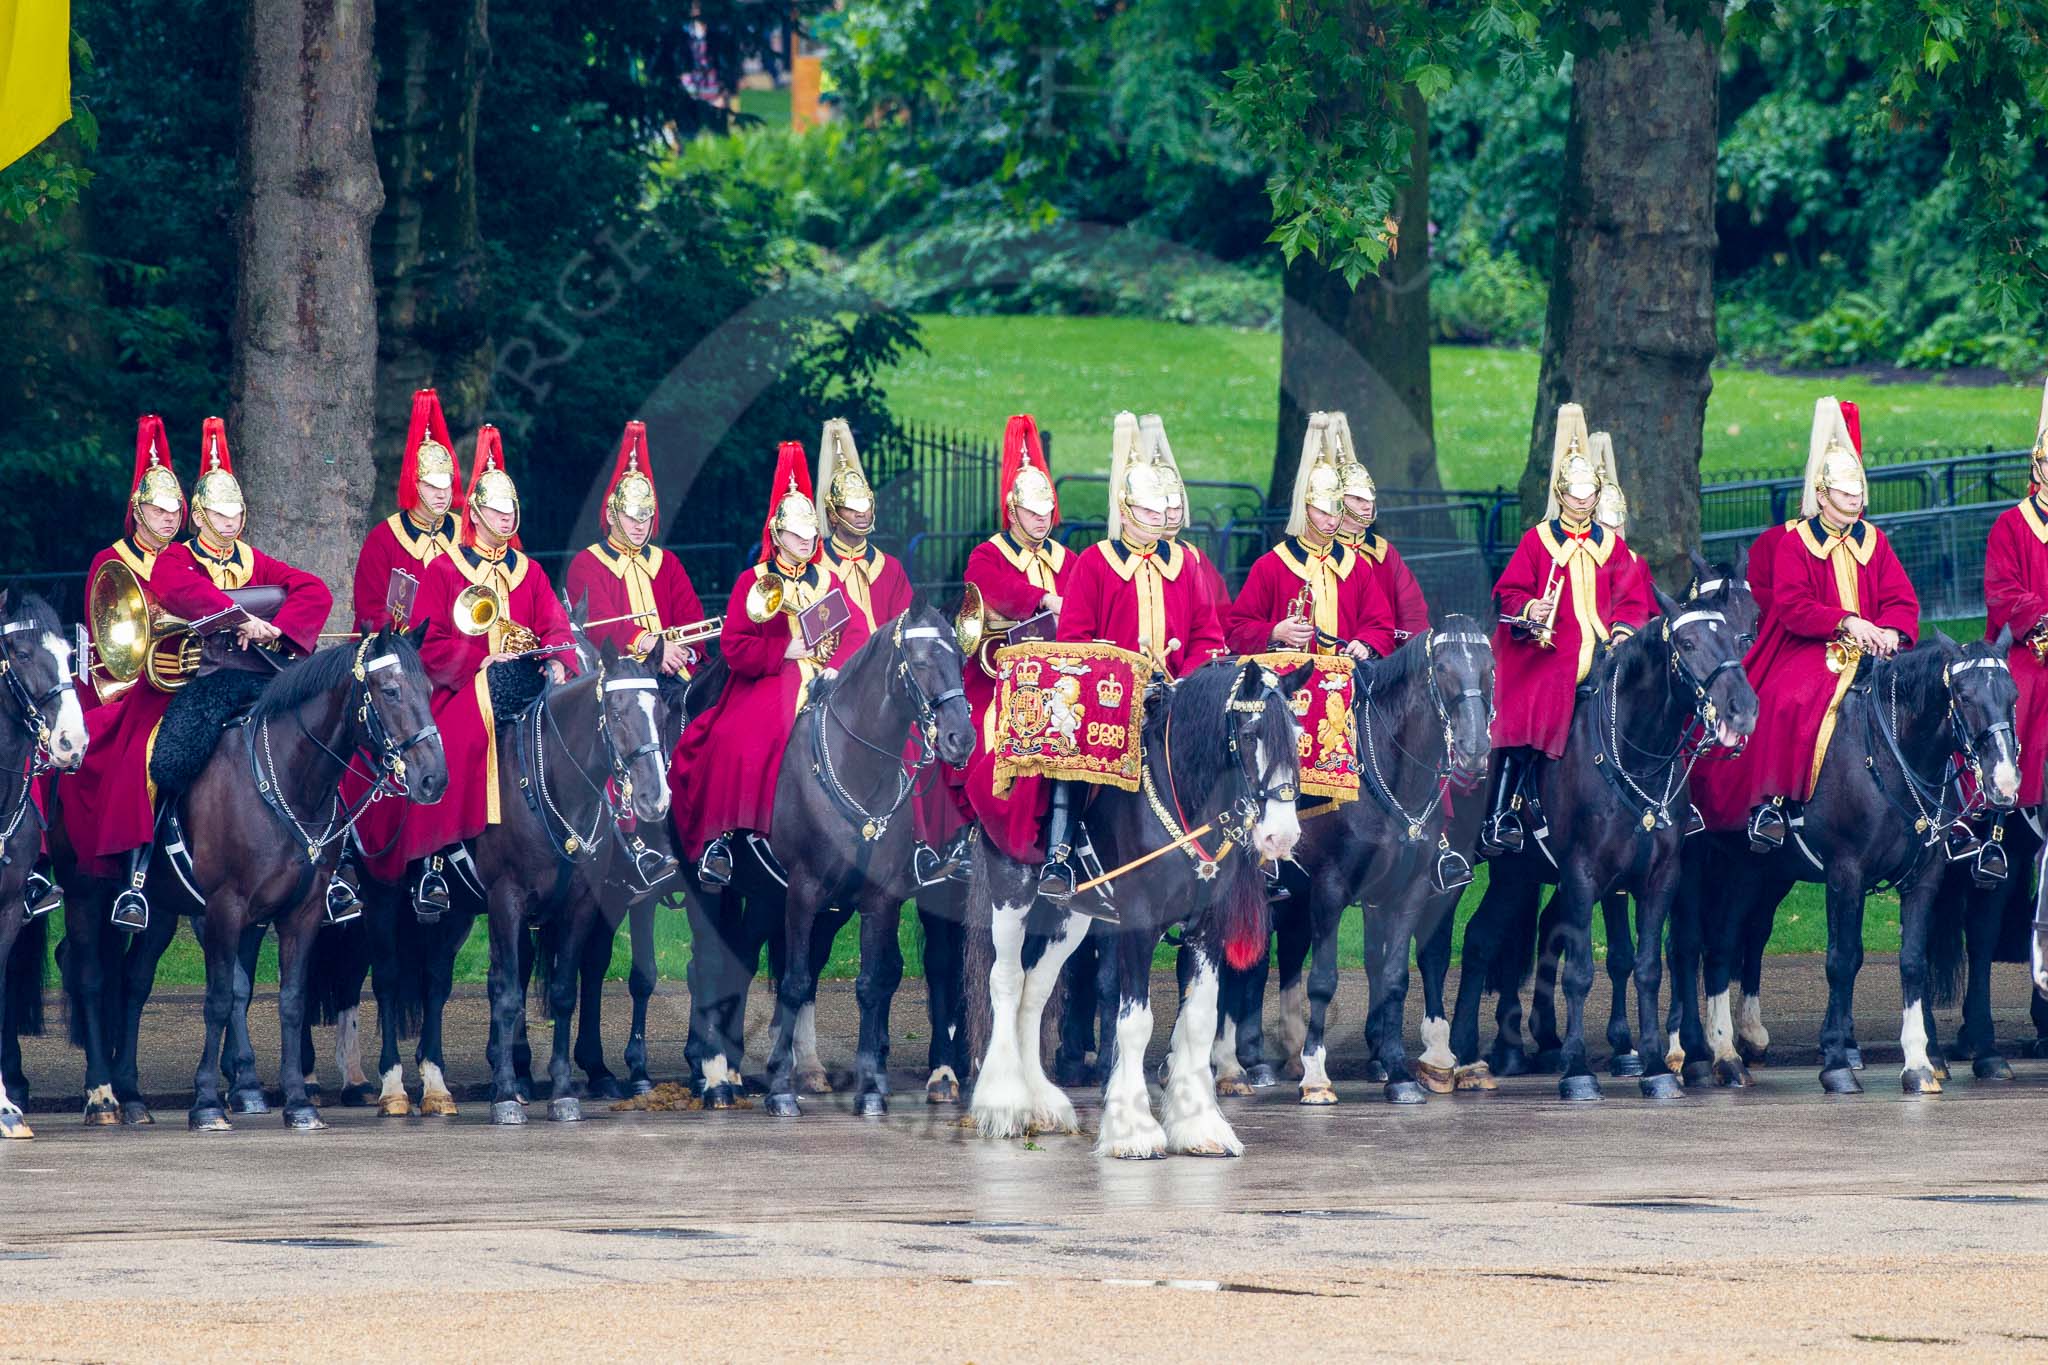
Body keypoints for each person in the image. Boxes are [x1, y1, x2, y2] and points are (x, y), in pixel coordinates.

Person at [82, 417, 333, 930]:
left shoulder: (253, 558)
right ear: (199, 516)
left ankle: (336, 865)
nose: (229, 521)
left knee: (319, 738)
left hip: (260, 677)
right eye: (218, 514)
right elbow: (183, 594)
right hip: (198, 681)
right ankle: (138, 872)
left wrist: (278, 631)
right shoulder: (176, 558)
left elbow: (314, 590)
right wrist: (242, 618)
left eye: (236, 512)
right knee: (162, 754)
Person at [1023, 411, 1227, 903]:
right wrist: (1113, 661)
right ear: (1128, 510)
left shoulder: (1187, 564)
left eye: (1163, 515)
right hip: (1110, 696)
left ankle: (1239, 859)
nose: (1159, 523)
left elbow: (1207, 633)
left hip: (1175, 695)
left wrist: (1190, 678)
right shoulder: (1094, 562)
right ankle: (1061, 855)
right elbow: (1074, 637)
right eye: (1150, 514)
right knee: (1071, 755)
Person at [668, 440, 871, 888]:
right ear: (778, 535)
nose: (805, 542)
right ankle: (723, 838)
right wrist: (783, 651)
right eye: (796, 535)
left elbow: (855, 632)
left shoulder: (828, 579)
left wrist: (833, 664)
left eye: (810, 535)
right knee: (730, 737)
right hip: (766, 680)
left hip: (826, 679)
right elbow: (735, 646)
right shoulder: (753, 581)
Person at [404, 426, 577, 917]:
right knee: (451, 745)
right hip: (464, 688)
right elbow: (429, 644)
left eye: (510, 510)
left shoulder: (531, 570)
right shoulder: (444, 569)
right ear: (475, 513)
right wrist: (478, 660)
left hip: (526, 682)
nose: (505, 517)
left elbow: (555, 625)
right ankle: (434, 861)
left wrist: (562, 660)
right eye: (496, 510)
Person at [1741, 397, 1919, 850]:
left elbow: (1902, 598)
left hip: (1878, 645)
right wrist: (1847, 622)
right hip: (1810, 647)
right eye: (1845, 493)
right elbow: (1793, 606)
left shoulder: (1874, 540)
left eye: (1858, 492)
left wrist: (1893, 631)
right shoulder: (1795, 544)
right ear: (1822, 495)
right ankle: (1772, 803)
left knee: (1934, 696)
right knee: (1787, 699)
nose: (1855, 500)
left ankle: (1945, 807)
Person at [1480, 403, 1653, 856]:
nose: (1582, 503)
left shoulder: (1612, 545)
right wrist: (1533, 607)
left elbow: (1633, 600)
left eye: (1589, 495)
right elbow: (1510, 594)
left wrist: (1622, 631)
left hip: (1605, 649)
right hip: (1550, 652)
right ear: (1561, 494)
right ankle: (1503, 810)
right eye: (1575, 496)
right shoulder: (1537, 540)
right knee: (1528, 710)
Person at [562, 418, 702, 896]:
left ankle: (703, 833)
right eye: (631, 515)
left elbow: (692, 619)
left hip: (670, 677)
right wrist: (652, 645)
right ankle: (633, 838)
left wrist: (681, 649)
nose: (640, 524)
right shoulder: (588, 562)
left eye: (647, 516)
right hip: (613, 684)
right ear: (613, 514)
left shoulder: (669, 563)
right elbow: (599, 624)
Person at [337, 388, 462, 920]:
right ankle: (347, 855)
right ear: (414, 483)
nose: (441, 493)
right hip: (403, 665)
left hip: (458, 664)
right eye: (432, 484)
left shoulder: (466, 533)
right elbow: (368, 615)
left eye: (448, 484)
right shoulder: (383, 539)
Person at [56, 417, 187, 922]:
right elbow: (111, 647)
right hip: (124, 688)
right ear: (138, 510)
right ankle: (131, 868)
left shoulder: (186, 559)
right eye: (158, 507)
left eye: (175, 508)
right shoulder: (110, 560)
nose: (169, 517)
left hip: (186, 679)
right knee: (136, 755)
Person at [936, 414, 1072, 886]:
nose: (1042, 520)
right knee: (980, 746)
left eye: (1047, 512)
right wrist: (1042, 598)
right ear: (1013, 512)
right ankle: (975, 834)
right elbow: (996, 588)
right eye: (1033, 513)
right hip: (998, 678)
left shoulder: (1066, 558)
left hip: (1061, 680)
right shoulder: (987, 554)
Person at [1225, 410, 1394, 661]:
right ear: (1304, 510)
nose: (1332, 520)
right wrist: (1273, 631)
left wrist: (1365, 643)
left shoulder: (1356, 566)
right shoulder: (1270, 566)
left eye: (1337, 511)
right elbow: (1236, 630)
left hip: (1346, 679)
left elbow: (1380, 624)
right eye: (1322, 512)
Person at [1984, 379, 2048, 810]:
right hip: (2032, 647)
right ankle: (2001, 813)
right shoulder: (2010, 524)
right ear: (2038, 467)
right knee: (2020, 699)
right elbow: (2002, 592)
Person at [1328, 411, 1431, 642]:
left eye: (1370, 499)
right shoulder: (1320, 553)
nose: (1367, 506)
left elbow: (1412, 610)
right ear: (1337, 501)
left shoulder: (1384, 553)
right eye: (1357, 499)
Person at [1589, 432, 1658, 627]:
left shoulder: (1636, 563)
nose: (1615, 531)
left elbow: (1650, 612)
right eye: (1606, 524)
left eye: (1618, 523)